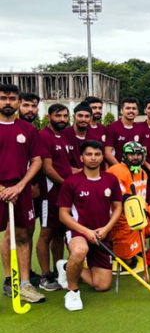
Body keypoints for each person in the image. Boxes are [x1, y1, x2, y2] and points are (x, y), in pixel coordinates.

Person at [56, 140, 123, 310]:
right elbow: (63, 215)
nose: (93, 158)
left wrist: (106, 229)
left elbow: (118, 207)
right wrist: (86, 232)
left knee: (101, 285)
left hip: (102, 234)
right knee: (80, 251)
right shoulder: (71, 182)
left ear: (102, 157)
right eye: (89, 154)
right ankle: (72, 292)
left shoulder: (111, 180)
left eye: (97, 154)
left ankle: (66, 266)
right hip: (78, 232)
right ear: (81, 157)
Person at [0, 84, 45, 303]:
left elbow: (36, 160)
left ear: (17, 101)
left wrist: (19, 186)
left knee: (23, 235)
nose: (7, 102)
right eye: (2, 98)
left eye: (11, 98)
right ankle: (9, 280)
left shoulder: (28, 130)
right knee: (8, 235)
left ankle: (23, 284)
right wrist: (3, 189)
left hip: (21, 189)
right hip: (1, 189)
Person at [107, 141, 150, 267]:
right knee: (129, 262)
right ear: (124, 155)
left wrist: (144, 212)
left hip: (141, 210)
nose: (135, 157)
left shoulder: (143, 173)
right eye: (131, 154)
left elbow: (142, 197)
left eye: (139, 154)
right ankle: (125, 253)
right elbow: (122, 198)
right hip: (123, 219)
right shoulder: (116, 171)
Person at [38, 103, 77, 291]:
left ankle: (58, 270)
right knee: (46, 233)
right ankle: (45, 276)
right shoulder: (44, 136)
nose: (62, 119)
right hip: (50, 193)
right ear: (49, 117)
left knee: (60, 233)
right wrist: (66, 184)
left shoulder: (63, 136)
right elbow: (48, 168)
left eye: (65, 116)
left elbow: (67, 166)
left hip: (64, 193)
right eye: (58, 116)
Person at [105, 97, 143, 165]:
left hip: (135, 170)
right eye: (128, 108)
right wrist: (120, 169)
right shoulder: (112, 127)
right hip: (117, 170)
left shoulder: (140, 128)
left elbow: (143, 152)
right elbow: (107, 153)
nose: (131, 111)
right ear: (121, 111)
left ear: (137, 112)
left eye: (134, 108)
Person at [64, 103, 93, 169]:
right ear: (74, 117)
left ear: (91, 118)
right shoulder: (63, 135)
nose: (83, 119)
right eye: (80, 116)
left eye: (87, 116)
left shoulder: (94, 137)